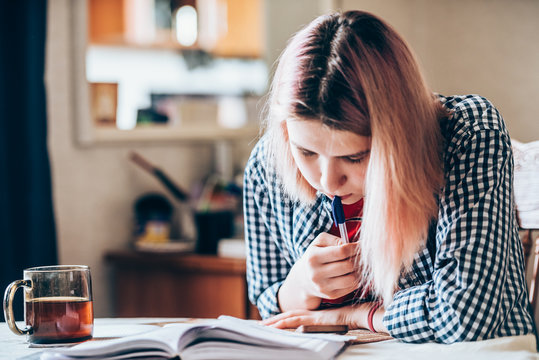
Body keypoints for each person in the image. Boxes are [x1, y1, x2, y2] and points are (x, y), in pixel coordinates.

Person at [242, 10, 536, 344]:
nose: (327, 181)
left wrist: (353, 316)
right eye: (307, 152)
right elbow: (271, 307)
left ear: (398, 135)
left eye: (353, 157)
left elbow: (464, 315)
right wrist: (299, 288)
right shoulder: (266, 167)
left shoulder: (468, 134)